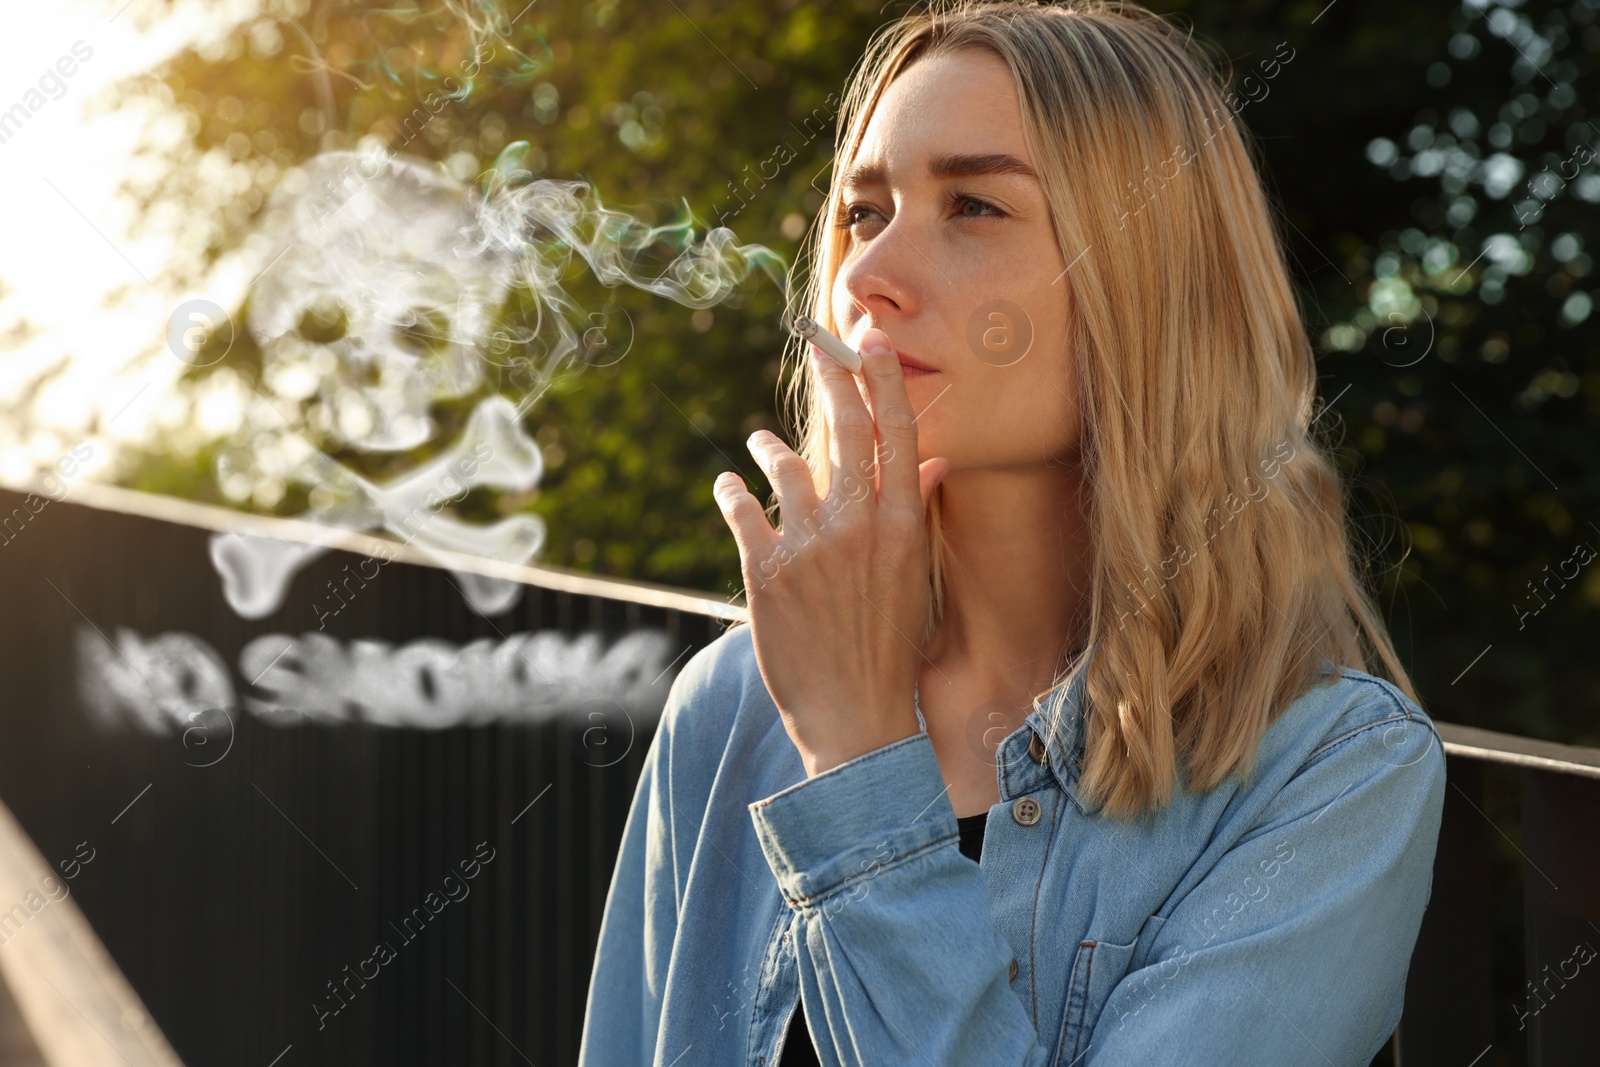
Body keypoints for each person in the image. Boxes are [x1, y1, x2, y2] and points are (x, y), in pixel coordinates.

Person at [578, 2, 1446, 1063]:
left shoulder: (1329, 777)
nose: (865, 278)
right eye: (862, 212)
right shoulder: (734, 705)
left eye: (974, 205)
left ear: (1151, 279)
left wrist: (856, 759)